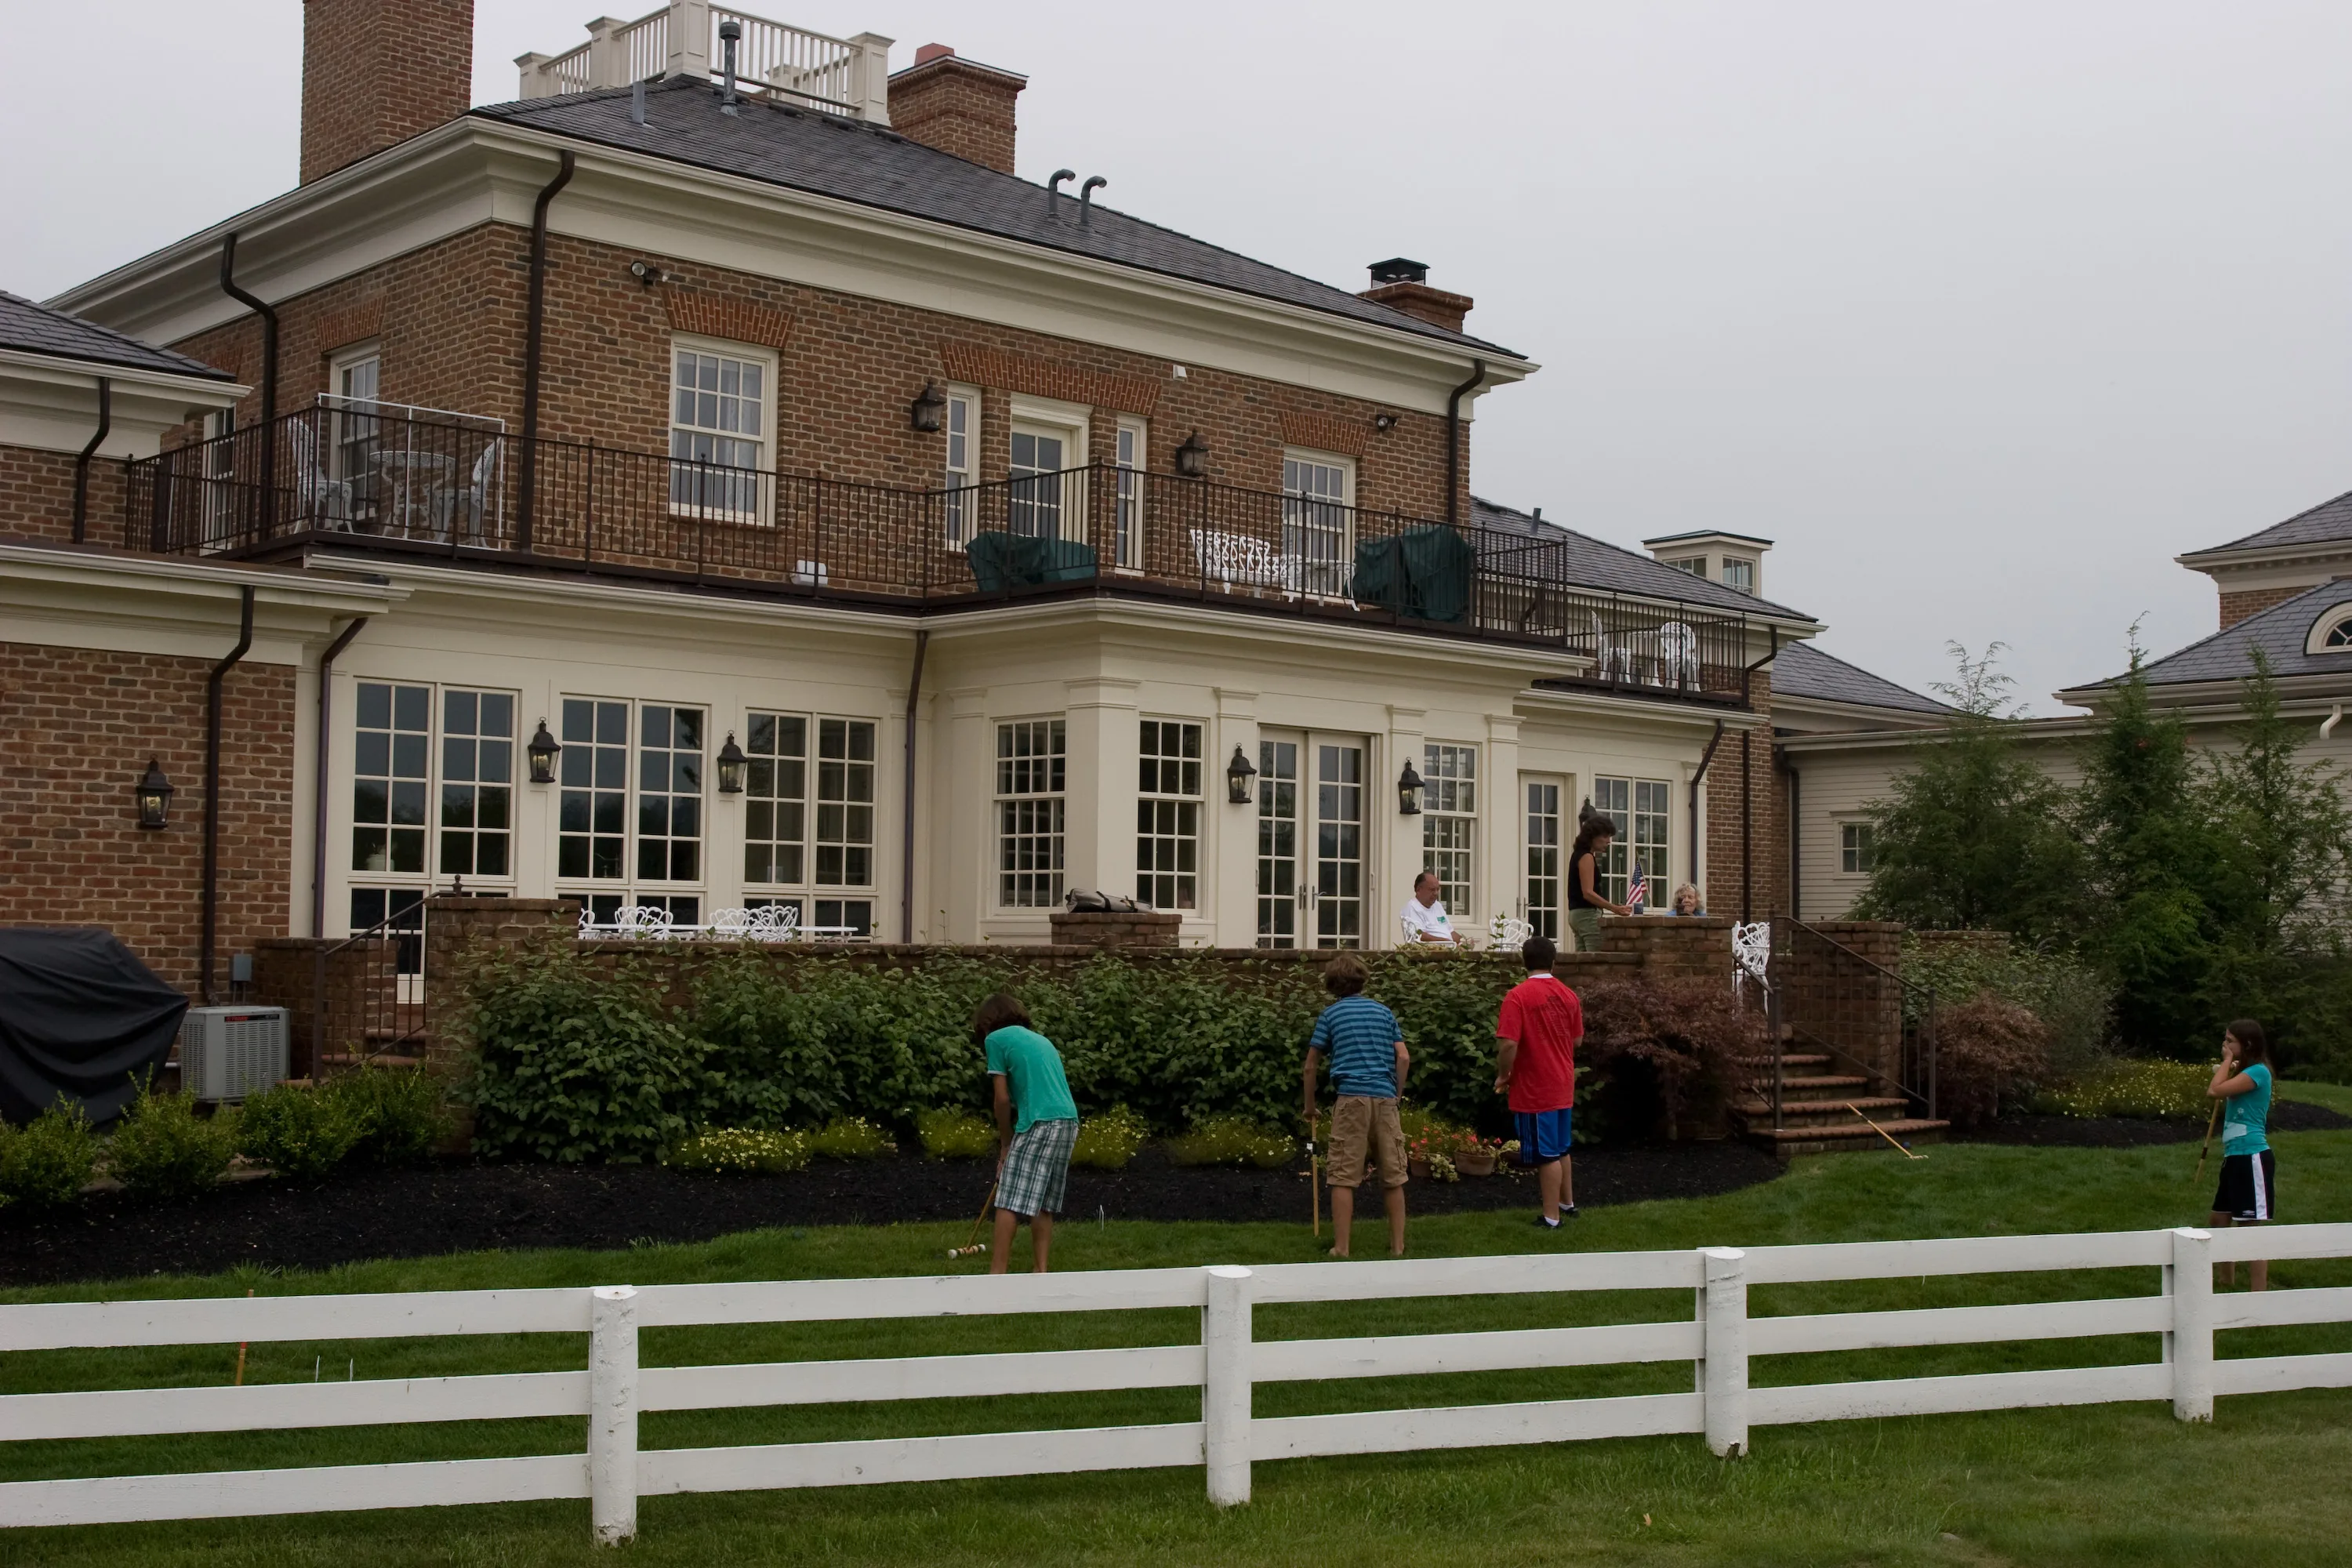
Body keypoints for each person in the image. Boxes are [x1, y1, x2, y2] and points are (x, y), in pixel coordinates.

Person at [1302, 953, 1410, 1257]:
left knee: (1343, 1176)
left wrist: (1310, 1106)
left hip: (1351, 1100)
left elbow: (1311, 1067)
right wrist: (1396, 1095)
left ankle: (1342, 1247)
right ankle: (1398, 1247)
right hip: (1386, 1100)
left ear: (1332, 984)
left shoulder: (1331, 1016)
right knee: (1393, 1175)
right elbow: (1403, 1057)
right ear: (1362, 979)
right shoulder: (1383, 1012)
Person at [975, 993, 1080, 1276]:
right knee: (1044, 1201)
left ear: (987, 1022)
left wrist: (1006, 1144)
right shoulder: (1039, 1039)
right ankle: (1040, 1271)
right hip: (1068, 1121)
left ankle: (997, 1275)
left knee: (1008, 1198)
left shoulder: (995, 1040)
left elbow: (1001, 1099)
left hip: (1039, 1121)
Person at [1494, 933, 1584, 1227]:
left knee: (1547, 1155)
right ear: (1553, 962)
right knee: (1561, 1148)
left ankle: (1551, 1217)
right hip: (1562, 1082)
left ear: (1525, 962)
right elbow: (1578, 1040)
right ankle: (1567, 1203)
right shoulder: (1568, 995)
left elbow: (1508, 1044)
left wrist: (1504, 1075)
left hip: (1536, 1087)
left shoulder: (1517, 997)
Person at [2208, 1018, 2277, 1292]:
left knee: (2250, 1225)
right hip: (2234, 1156)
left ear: (2246, 1044)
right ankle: (2227, 1281)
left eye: (2229, 1041)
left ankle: (2258, 1294)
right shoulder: (2245, 1072)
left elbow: (2214, 1090)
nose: (2224, 1045)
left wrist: (2226, 1063)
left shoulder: (2258, 1073)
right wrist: (2230, 1065)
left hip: (2252, 1156)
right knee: (2219, 1219)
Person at [1566, 815, 1631, 952]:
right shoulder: (1586, 857)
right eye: (1606, 836)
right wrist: (1615, 908)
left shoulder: (1578, 854)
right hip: (1587, 915)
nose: (1609, 841)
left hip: (1576, 914)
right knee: (1595, 959)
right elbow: (1588, 893)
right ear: (1593, 836)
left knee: (1581, 962)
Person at [1398, 871, 1463, 946]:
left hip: (1449, 949)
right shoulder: (1412, 907)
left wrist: (1464, 941)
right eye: (1432, 890)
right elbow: (1419, 935)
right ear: (1419, 890)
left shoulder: (1437, 906)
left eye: (1437, 889)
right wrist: (1446, 942)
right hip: (1430, 953)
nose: (1436, 893)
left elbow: (1450, 932)